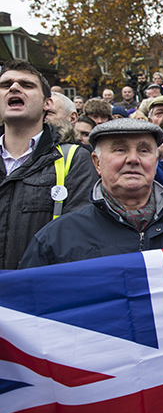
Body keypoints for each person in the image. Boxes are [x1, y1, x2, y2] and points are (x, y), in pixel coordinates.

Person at [19, 119, 163, 268]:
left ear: (156, 161)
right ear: (97, 163)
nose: (133, 159)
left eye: (143, 151)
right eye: (120, 150)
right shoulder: (56, 240)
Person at [0, 60, 99, 269]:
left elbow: (78, 238)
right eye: (5, 84)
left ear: (47, 103)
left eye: (27, 85)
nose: (14, 88)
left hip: (36, 292)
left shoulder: (73, 159)